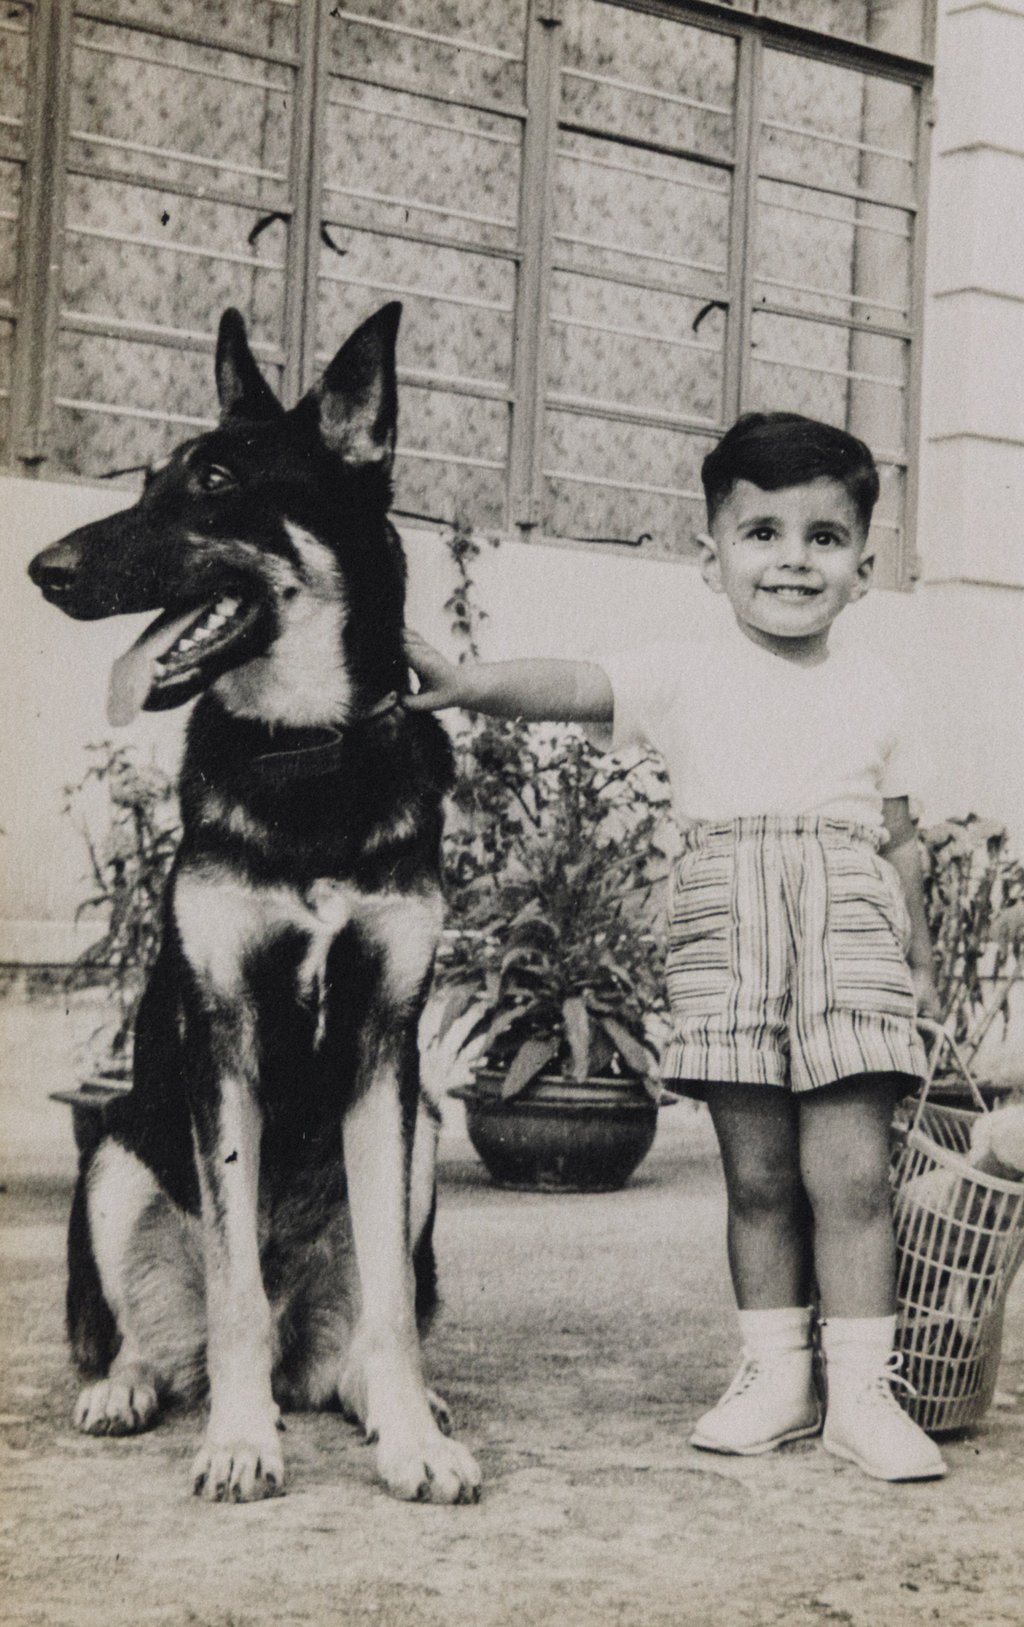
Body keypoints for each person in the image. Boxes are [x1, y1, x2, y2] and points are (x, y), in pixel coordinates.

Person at [405, 411, 946, 1482]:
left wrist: (921, 962)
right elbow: (567, 683)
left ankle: (865, 1394)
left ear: (863, 566)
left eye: (823, 538)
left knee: (850, 1175)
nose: (792, 559)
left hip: (847, 934)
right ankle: (776, 1375)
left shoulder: (878, 689)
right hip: (728, 931)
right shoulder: (681, 673)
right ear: (712, 557)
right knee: (754, 1176)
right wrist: (468, 684)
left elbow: (899, 842)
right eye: (761, 532)